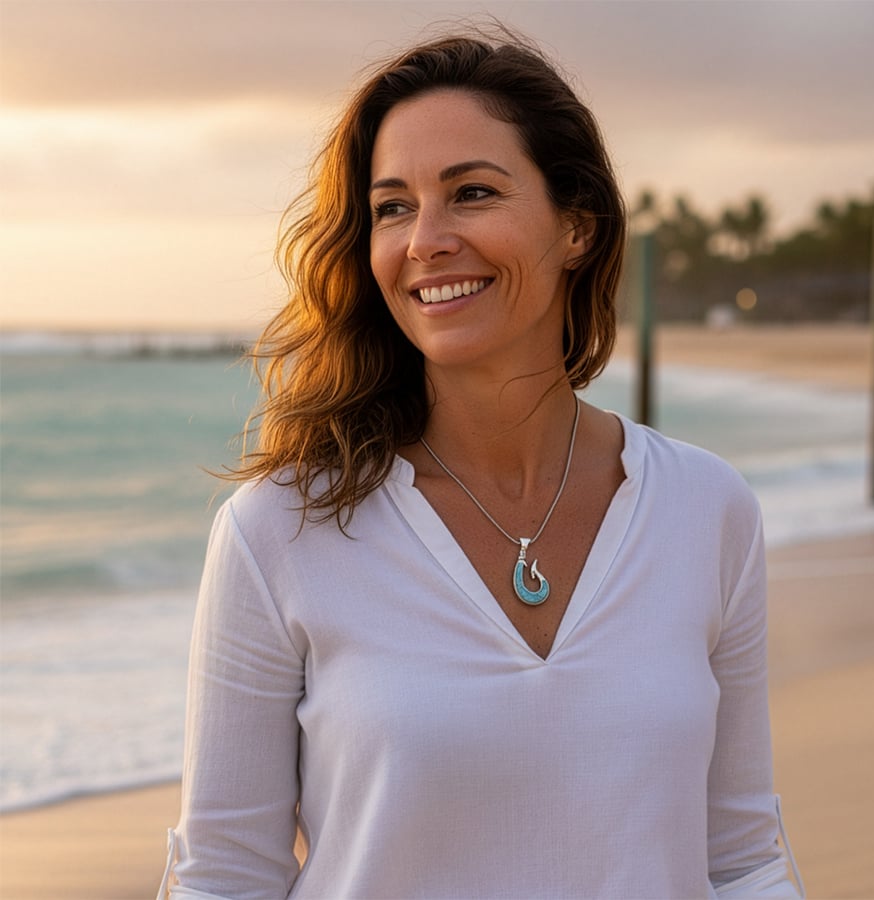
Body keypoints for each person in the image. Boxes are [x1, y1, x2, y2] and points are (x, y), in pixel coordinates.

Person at [159, 28, 803, 900]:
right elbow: (223, 879)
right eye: (391, 207)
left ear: (575, 224)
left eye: (471, 193)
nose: (426, 239)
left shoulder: (706, 507)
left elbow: (742, 859)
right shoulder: (280, 529)